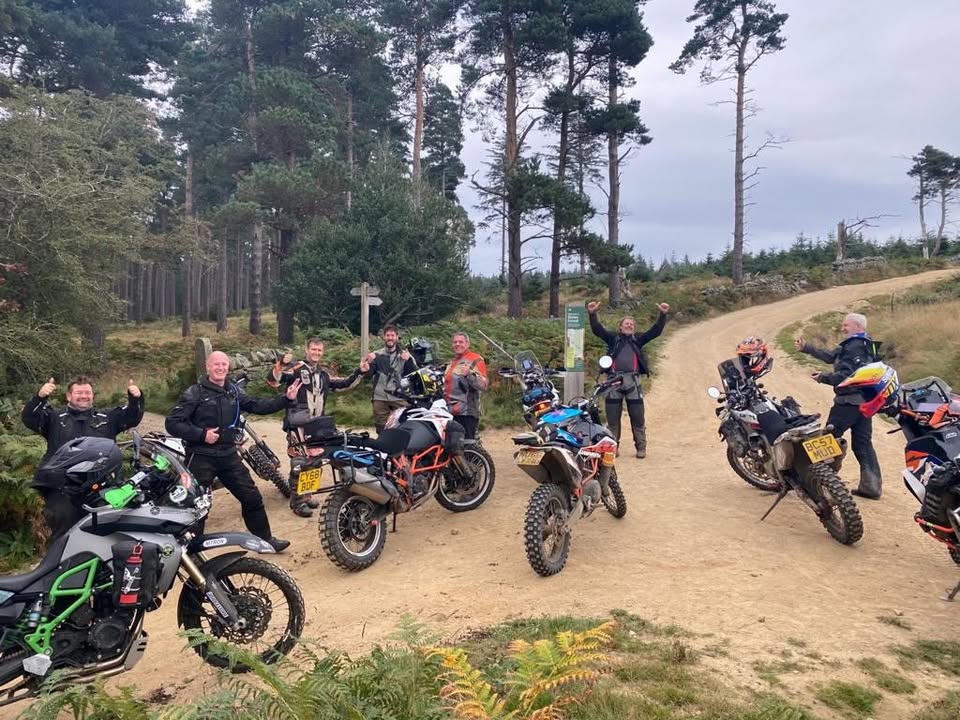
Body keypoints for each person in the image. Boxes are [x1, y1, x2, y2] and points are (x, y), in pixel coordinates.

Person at [166, 351, 299, 551]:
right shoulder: (195, 393)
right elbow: (172, 423)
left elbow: (256, 405)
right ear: (208, 367)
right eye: (216, 364)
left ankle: (265, 540)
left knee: (252, 498)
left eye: (224, 364)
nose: (220, 368)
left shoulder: (233, 391)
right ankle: (190, 550)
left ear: (228, 367)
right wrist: (202, 434)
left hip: (228, 456)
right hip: (201, 457)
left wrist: (285, 399)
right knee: (197, 506)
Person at [22, 375, 144, 538]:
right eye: (79, 393)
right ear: (68, 396)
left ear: (93, 395)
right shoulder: (54, 418)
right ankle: (62, 553)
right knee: (63, 524)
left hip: (101, 486)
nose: (84, 396)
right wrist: (40, 398)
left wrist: (135, 399)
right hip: (62, 487)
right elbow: (30, 418)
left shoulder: (107, 417)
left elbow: (131, 417)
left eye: (87, 392)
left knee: (106, 526)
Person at [267, 338, 369, 517]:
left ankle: (306, 496)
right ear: (307, 350)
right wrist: (280, 364)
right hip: (297, 424)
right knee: (299, 462)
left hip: (317, 426)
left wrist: (359, 371)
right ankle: (297, 502)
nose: (316, 352)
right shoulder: (296, 368)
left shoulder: (324, 374)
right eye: (313, 349)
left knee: (315, 462)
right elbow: (273, 381)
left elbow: (344, 384)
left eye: (319, 350)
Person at [795, 312, 884, 499]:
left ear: (858, 327)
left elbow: (847, 375)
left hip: (848, 402)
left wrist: (824, 377)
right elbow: (831, 356)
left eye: (846, 325)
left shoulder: (854, 347)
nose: (842, 328)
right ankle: (871, 486)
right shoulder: (867, 344)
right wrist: (807, 348)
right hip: (865, 403)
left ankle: (815, 483)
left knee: (827, 440)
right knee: (862, 443)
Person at [587, 301, 670, 458]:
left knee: (637, 416)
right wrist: (592, 314)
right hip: (613, 381)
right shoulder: (613, 338)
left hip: (633, 381)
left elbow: (655, 331)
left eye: (631, 324)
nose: (629, 326)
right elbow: (598, 330)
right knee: (612, 418)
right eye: (626, 324)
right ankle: (613, 448)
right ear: (620, 327)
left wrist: (663, 315)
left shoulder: (638, 339)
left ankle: (641, 447)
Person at [366, 324, 418, 434]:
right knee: (381, 428)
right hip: (380, 396)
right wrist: (368, 364)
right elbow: (368, 376)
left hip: (399, 396)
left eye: (392, 335)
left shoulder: (405, 355)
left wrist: (408, 361)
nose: (390, 338)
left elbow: (413, 376)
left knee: (404, 424)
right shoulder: (376, 355)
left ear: (397, 337)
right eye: (388, 335)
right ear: (384, 337)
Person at [443, 332, 488, 439]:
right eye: (455, 342)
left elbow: (484, 384)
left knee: (467, 445)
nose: (457, 344)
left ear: (467, 344)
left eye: (461, 342)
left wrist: (469, 375)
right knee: (451, 445)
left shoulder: (476, 359)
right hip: (449, 411)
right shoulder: (451, 363)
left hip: (466, 412)